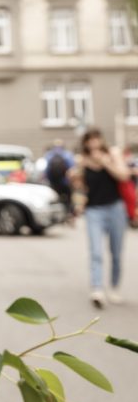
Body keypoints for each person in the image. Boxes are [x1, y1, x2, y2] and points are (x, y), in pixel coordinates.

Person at [70, 129, 131, 308]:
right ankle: (97, 289)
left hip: (115, 208)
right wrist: (75, 178)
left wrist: (106, 163)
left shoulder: (112, 154)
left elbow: (124, 175)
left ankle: (114, 287)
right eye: (89, 140)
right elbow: (80, 187)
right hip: (94, 210)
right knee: (96, 251)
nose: (93, 143)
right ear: (85, 143)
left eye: (96, 139)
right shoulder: (82, 160)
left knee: (116, 252)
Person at [42, 139, 75, 215]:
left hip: (53, 182)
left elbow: (46, 170)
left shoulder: (49, 155)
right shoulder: (68, 154)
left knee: (55, 197)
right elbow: (72, 168)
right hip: (65, 182)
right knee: (69, 197)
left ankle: (55, 213)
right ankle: (69, 212)